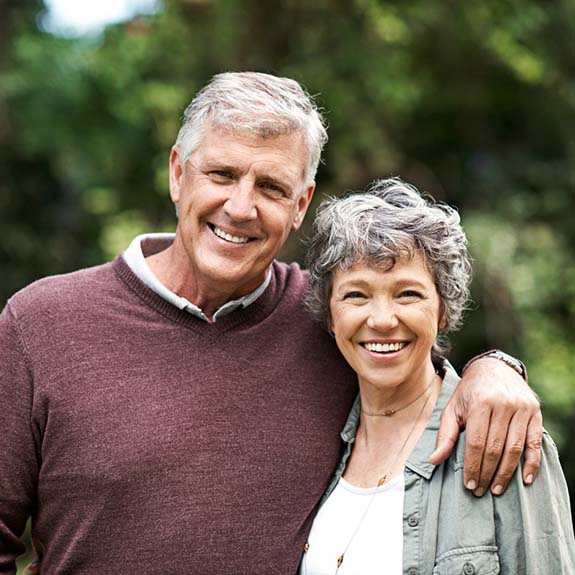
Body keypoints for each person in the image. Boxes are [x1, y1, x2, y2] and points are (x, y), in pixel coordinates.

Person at [0, 72, 543, 574]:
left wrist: (494, 369)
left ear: (301, 203)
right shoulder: (41, 323)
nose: (240, 207)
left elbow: (414, 363)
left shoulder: (329, 317)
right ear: (176, 173)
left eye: (271, 187)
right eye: (222, 174)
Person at [300, 178, 574, 574]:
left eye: (407, 294)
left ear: (444, 308)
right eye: (356, 295)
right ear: (329, 315)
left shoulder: (501, 439)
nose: (381, 319)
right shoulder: (317, 447)